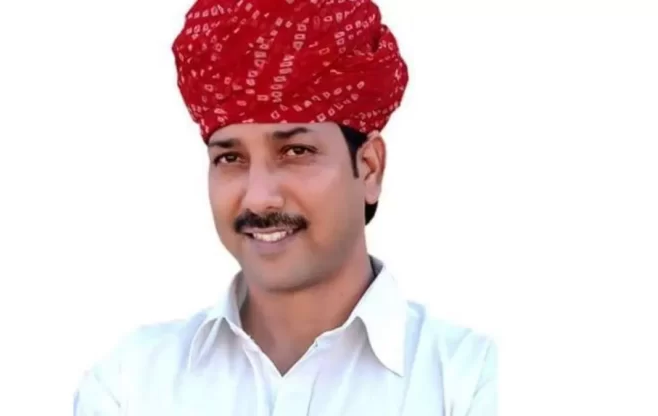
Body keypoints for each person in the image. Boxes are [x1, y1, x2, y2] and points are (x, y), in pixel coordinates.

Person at [73, 0, 497, 414]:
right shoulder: (129, 385)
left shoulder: (472, 380)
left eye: (296, 151)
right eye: (230, 158)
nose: (258, 197)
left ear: (369, 168)